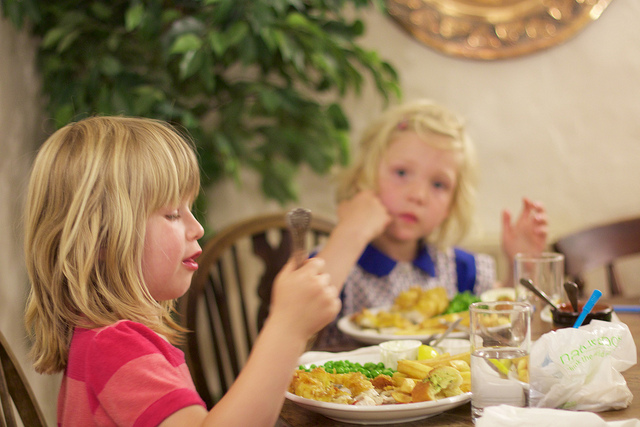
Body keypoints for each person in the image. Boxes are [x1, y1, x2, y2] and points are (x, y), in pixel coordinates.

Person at [23, 116, 341, 426]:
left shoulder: (102, 337)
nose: (198, 228)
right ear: (102, 240)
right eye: (174, 214)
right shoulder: (116, 348)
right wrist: (287, 328)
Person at [314, 99, 548, 346]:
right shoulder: (335, 262)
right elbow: (298, 315)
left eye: (438, 184)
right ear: (366, 175)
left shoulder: (462, 270)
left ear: (452, 203)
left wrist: (520, 265)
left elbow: (499, 326)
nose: (418, 195)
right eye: (402, 173)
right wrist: (351, 233)